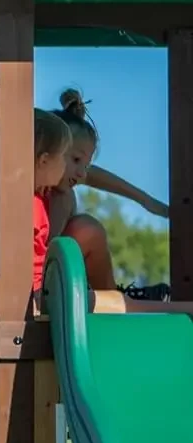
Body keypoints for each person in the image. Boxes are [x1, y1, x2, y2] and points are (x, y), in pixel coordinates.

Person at [49, 88, 171, 300]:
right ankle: (112, 298)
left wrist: (146, 201)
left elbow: (94, 176)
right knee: (86, 227)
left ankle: (110, 295)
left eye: (85, 165)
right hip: (32, 279)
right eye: (76, 160)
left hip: (54, 274)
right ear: (47, 153)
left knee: (83, 223)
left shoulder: (65, 180)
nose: (81, 173)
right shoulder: (33, 176)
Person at [33, 109, 72, 292]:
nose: (67, 165)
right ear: (44, 161)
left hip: (43, 291)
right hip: (40, 296)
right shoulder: (30, 207)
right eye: (64, 156)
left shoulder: (34, 199)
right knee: (113, 302)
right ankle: (172, 309)